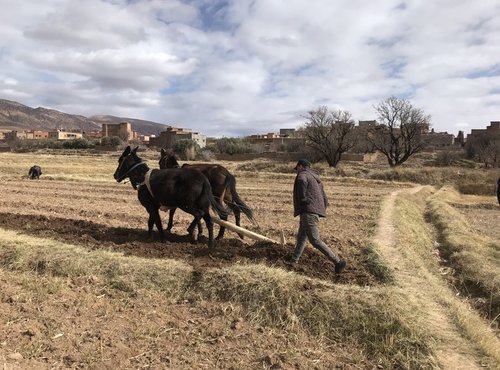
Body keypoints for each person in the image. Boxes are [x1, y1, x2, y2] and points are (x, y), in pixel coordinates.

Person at [285, 159, 347, 275]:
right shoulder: (316, 178)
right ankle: (294, 260)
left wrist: (303, 199)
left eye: (297, 168)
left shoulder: (302, 175)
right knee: (302, 237)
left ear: (301, 166)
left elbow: (301, 181)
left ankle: (338, 262)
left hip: (308, 211)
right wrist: (319, 209)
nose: (297, 171)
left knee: (315, 240)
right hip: (313, 211)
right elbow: (325, 198)